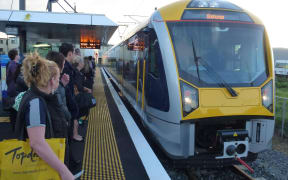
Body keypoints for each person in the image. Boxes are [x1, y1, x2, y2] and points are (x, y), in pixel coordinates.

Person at [14, 53, 74, 180]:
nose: (58, 82)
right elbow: (37, 143)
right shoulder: (36, 103)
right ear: (52, 80)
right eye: (58, 79)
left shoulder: (38, 97)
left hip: (47, 164)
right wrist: (64, 171)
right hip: (41, 167)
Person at [59, 43, 82, 142]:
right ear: (69, 54)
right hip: (67, 98)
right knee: (72, 115)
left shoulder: (63, 65)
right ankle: (73, 136)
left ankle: (72, 135)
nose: (73, 56)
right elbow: (67, 86)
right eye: (73, 53)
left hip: (66, 97)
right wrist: (72, 102)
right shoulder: (66, 67)